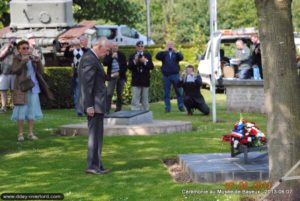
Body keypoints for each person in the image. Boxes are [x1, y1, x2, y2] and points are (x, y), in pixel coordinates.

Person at [78, 37, 111, 175]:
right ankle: (92, 166)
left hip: (97, 104)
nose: (108, 53)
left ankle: (97, 164)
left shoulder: (93, 58)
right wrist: (89, 106)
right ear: (98, 46)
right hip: (94, 105)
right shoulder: (89, 59)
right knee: (94, 136)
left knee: (97, 136)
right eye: (107, 49)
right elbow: (87, 85)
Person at [11, 40, 53, 141]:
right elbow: (14, 70)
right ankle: (20, 134)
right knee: (21, 111)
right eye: (23, 48)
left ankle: (30, 133)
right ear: (19, 50)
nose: (26, 50)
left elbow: (41, 72)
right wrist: (22, 62)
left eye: (27, 48)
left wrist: (38, 62)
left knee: (31, 111)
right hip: (22, 88)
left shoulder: (32, 58)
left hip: (34, 88)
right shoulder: (16, 58)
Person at [155, 41, 185, 112]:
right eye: (168, 45)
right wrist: (164, 50)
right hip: (166, 76)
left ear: (173, 45)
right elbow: (157, 56)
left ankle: (181, 106)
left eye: (171, 45)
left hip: (175, 75)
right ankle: (167, 108)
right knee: (166, 93)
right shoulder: (164, 54)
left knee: (179, 92)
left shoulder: (176, 53)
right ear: (166, 46)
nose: (170, 46)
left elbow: (181, 57)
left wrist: (176, 51)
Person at [64, 37, 88, 116]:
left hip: (83, 74)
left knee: (82, 93)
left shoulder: (84, 51)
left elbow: (88, 51)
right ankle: (79, 110)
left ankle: (82, 109)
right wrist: (69, 45)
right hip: (77, 74)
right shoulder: (73, 51)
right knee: (78, 93)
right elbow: (65, 54)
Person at [128, 41, 154, 111]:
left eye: (141, 46)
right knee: (135, 98)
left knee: (145, 98)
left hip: (145, 79)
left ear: (143, 47)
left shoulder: (147, 55)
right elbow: (129, 67)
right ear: (136, 47)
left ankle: (145, 111)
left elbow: (151, 66)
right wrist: (135, 61)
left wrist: (145, 62)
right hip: (136, 80)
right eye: (138, 46)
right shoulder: (132, 55)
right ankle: (134, 112)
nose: (140, 47)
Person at [103, 42, 127, 113]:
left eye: (116, 46)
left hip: (120, 76)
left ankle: (118, 109)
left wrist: (118, 72)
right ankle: (107, 109)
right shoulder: (108, 54)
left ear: (118, 47)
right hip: (111, 76)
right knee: (109, 93)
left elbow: (125, 67)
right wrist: (111, 57)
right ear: (111, 47)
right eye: (113, 46)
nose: (115, 47)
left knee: (120, 93)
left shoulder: (122, 55)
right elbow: (105, 63)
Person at [0, 37, 18, 113]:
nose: (13, 42)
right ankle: (4, 107)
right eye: (12, 40)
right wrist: (7, 48)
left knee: (14, 91)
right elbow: (0, 56)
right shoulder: (4, 47)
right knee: (3, 90)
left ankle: (14, 106)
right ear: (9, 41)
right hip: (4, 72)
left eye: (14, 40)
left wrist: (15, 49)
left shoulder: (17, 48)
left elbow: (19, 57)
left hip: (14, 72)